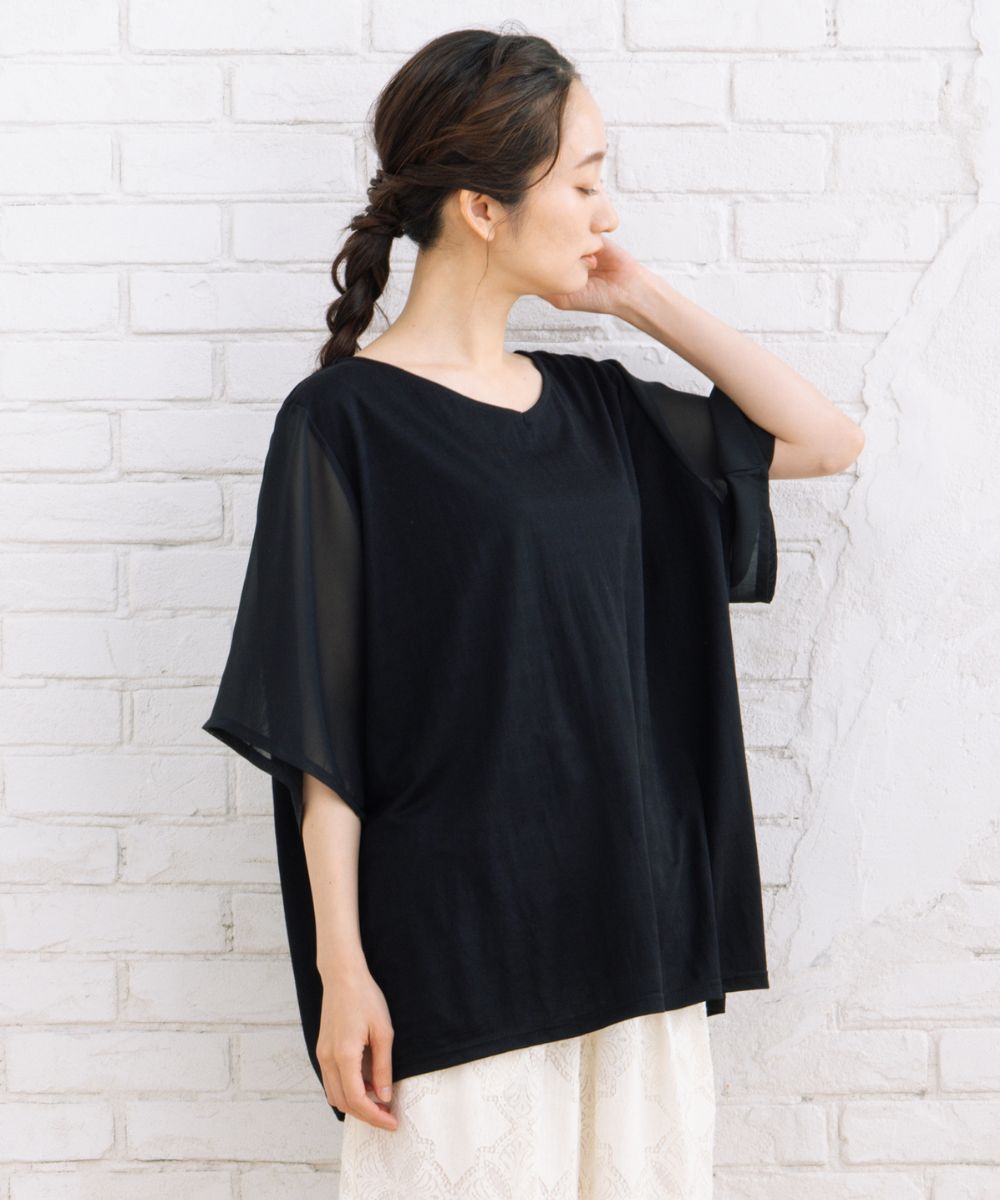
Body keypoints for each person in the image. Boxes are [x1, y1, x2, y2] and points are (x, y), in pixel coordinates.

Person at [202, 26, 864, 1199]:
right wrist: (342, 970)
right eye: (585, 180)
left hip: (634, 930)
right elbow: (319, 728)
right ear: (482, 208)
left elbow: (823, 440)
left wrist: (638, 297)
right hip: (457, 952)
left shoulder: (602, 409)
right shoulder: (343, 422)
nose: (606, 211)